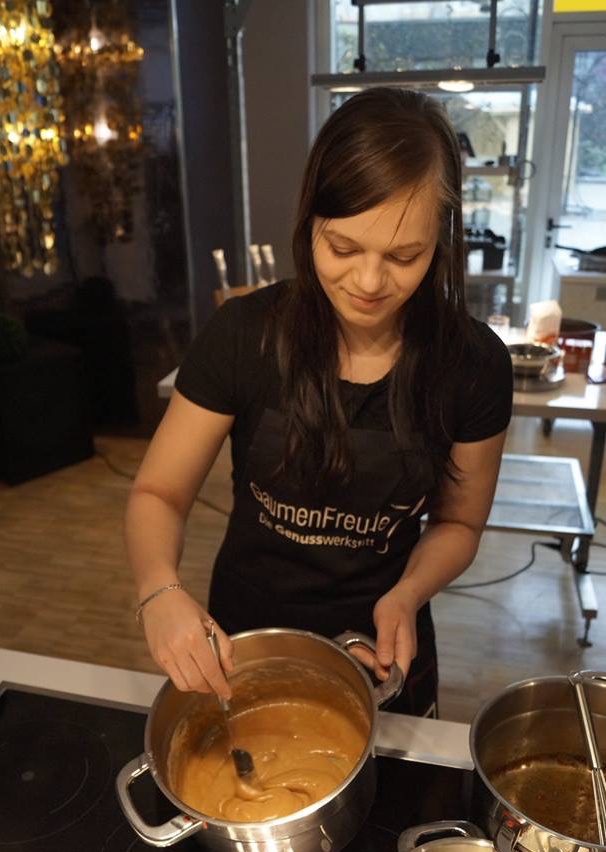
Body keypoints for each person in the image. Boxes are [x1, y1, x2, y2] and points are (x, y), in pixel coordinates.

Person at [125, 87, 513, 717]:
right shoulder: (244, 335)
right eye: (343, 248)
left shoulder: (474, 365)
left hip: (383, 649)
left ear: (441, 239)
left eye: (404, 256)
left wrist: (409, 593)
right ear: (309, 221)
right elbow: (158, 493)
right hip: (246, 643)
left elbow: (458, 524)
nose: (369, 282)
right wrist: (159, 590)